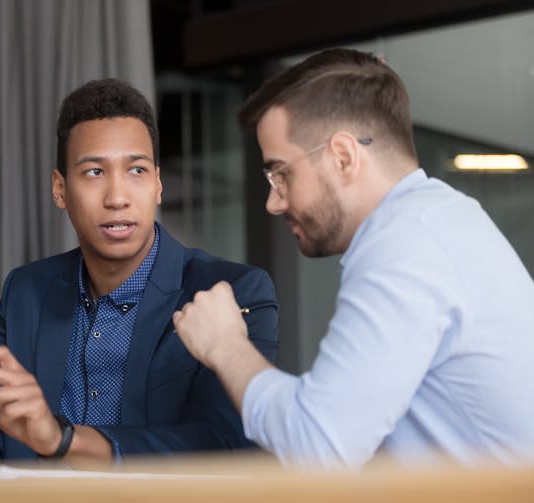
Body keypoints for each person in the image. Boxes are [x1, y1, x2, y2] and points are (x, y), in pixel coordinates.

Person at [0, 78, 278, 466]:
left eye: (136, 170)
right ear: (60, 189)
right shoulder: (28, 290)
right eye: (94, 172)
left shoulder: (231, 291)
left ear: (158, 185)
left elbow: (224, 444)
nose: (117, 197)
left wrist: (62, 439)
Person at [172, 48, 534, 471]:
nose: (273, 201)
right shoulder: (441, 222)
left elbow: (319, 445)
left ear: (343, 156)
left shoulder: (406, 245)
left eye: (280, 173)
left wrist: (226, 346)